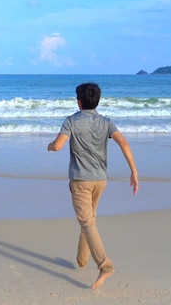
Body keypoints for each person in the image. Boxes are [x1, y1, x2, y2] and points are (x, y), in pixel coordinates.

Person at [47, 82, 139, 289]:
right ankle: (82, 258)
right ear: (96, 101)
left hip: (81, 181)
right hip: (100, 180)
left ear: (79, 102)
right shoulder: (106, 122)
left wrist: (50, 147)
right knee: (89, 218)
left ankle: (105, 266)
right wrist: (134, 171)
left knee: (87, 222)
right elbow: (124, 143)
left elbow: (59, 145)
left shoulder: (71, 121)